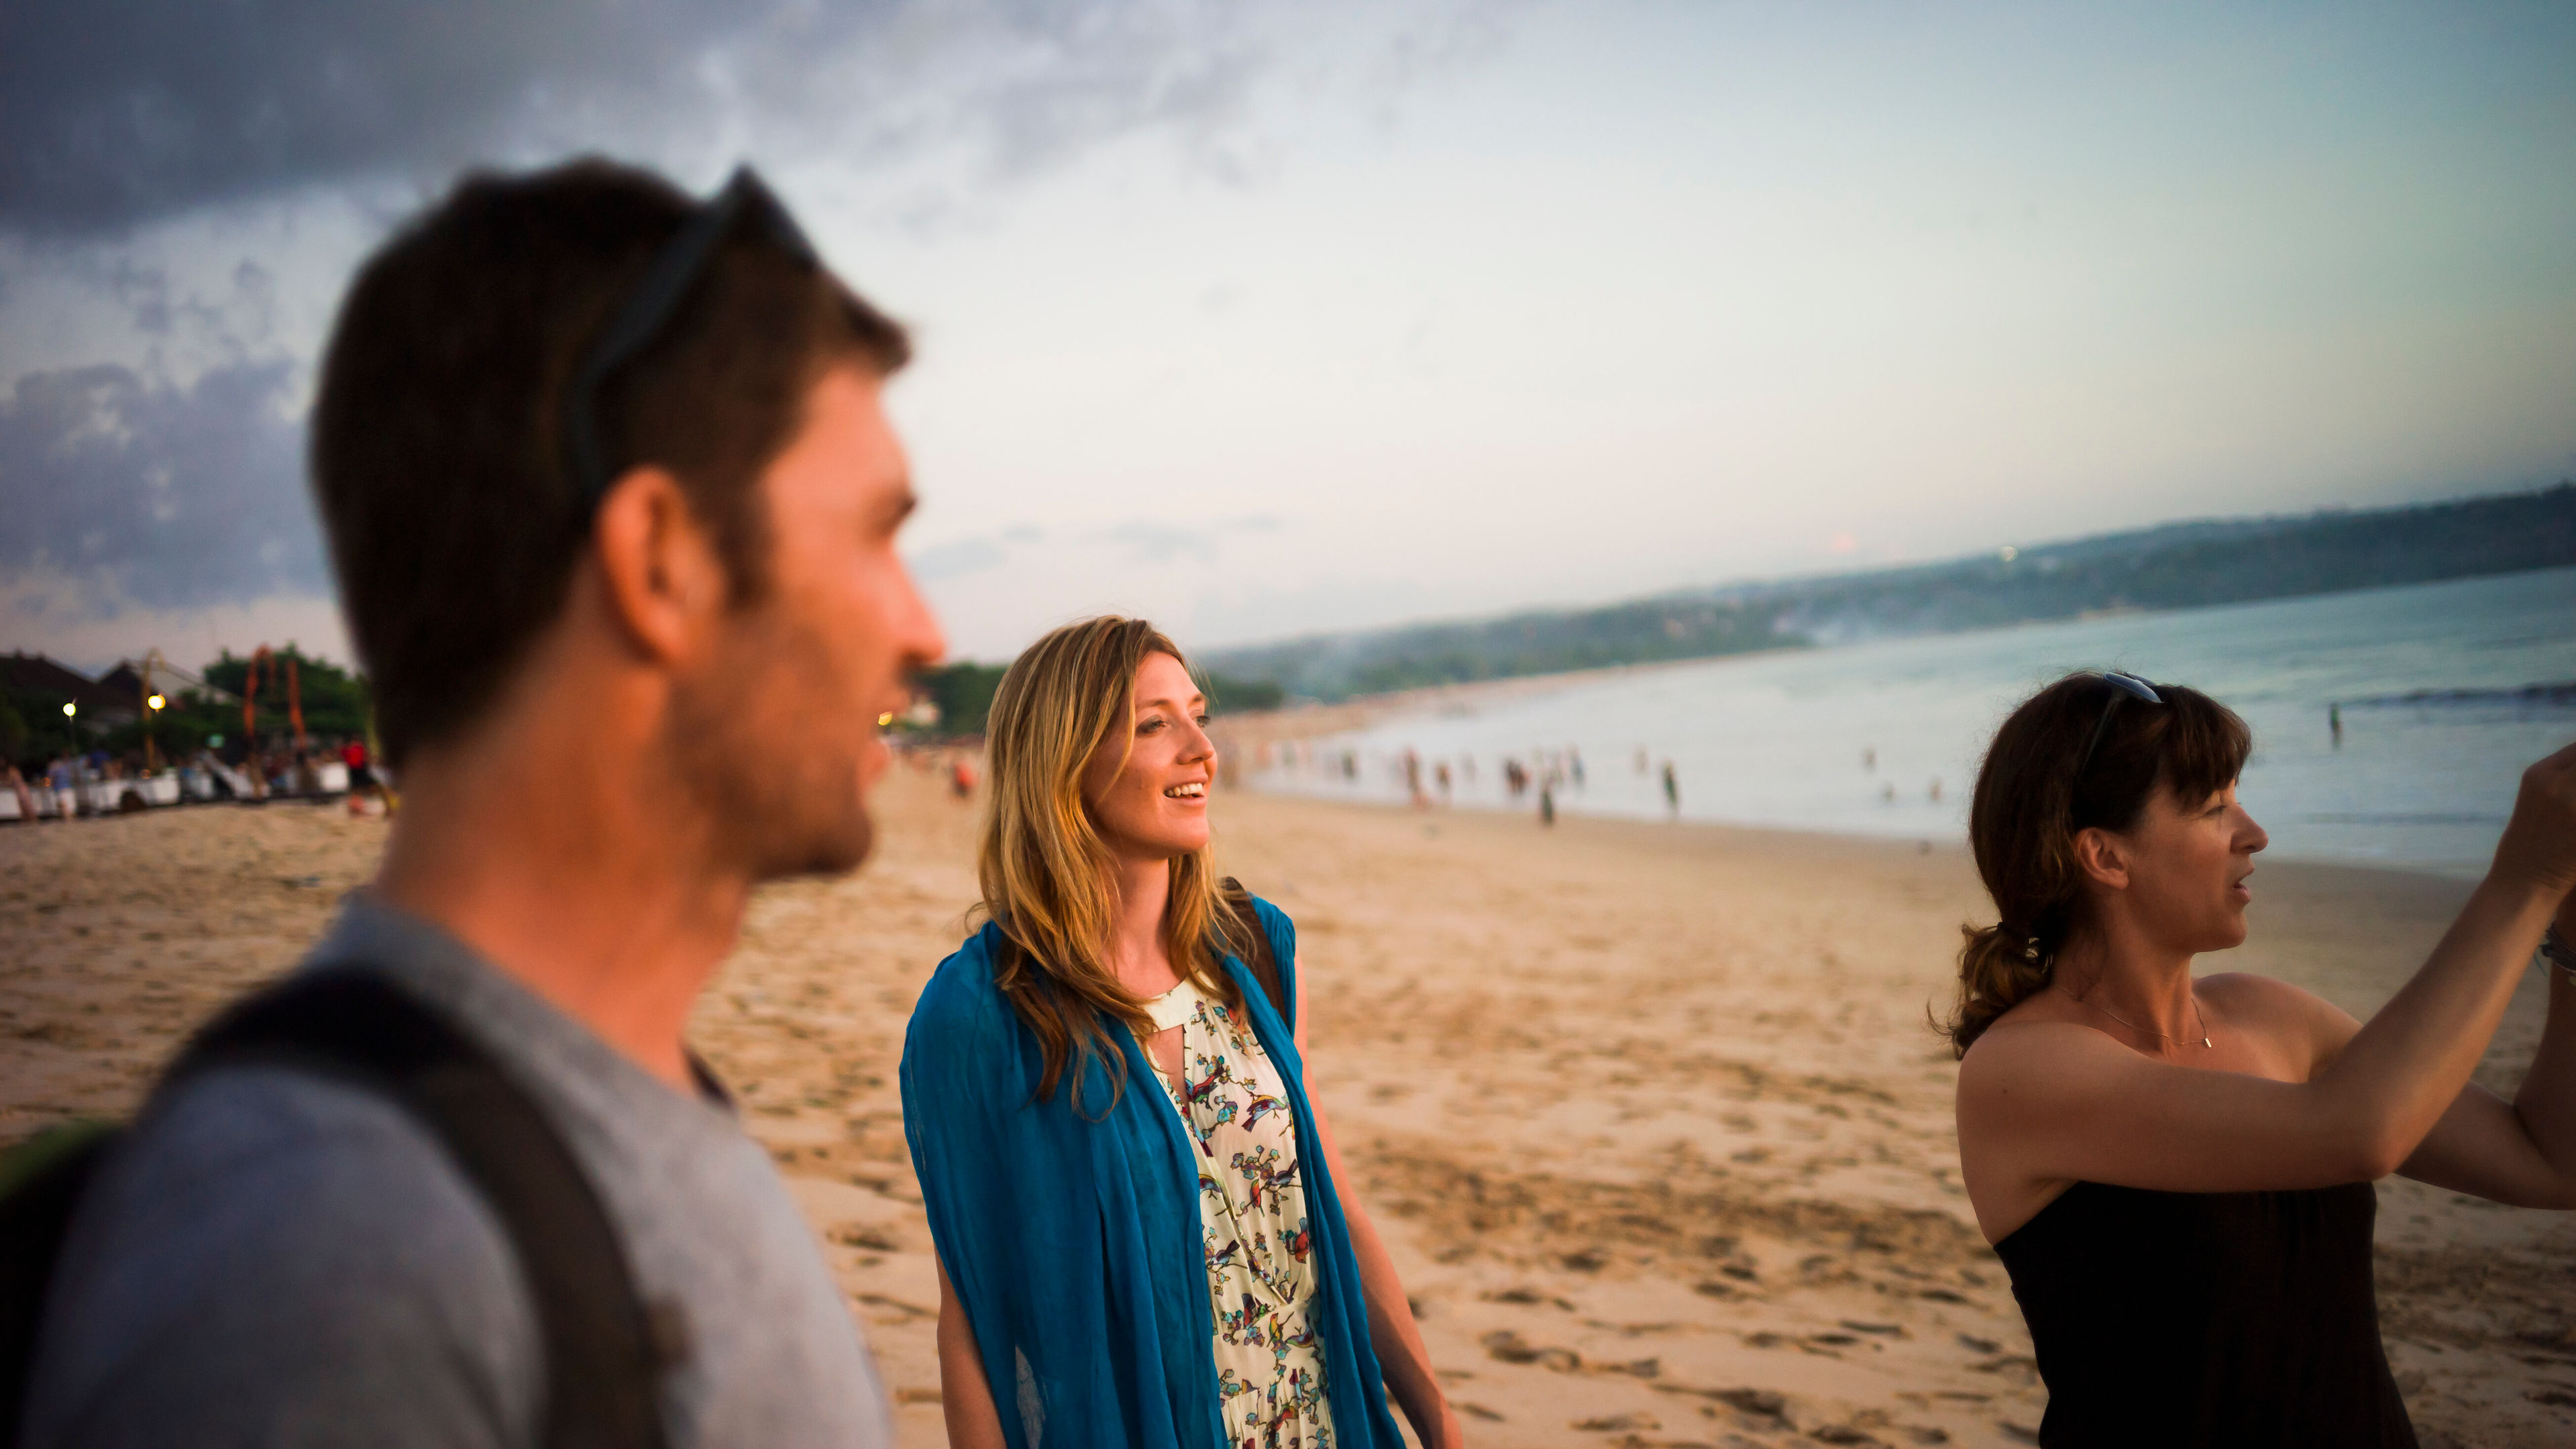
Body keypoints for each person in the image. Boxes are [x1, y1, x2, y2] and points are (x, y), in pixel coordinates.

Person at [24, 159, 941, 1447]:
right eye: (875, 534)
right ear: (659, 561)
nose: (927, 628)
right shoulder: (339, 1256)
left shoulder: (607, 1101)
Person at [1945, 671, 2576, 1448]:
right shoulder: (2021, 1073)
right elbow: (2361, 1131)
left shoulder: (2274, 1017)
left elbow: (2550, 1157)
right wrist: (2525, 879)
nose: (2254, 833)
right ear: (2105, 856)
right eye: (2214, 808)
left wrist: (2572, 933)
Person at [903, 617, 1457, 1449]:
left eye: (1199, 713)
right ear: (1064, 760)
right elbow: (972, 1315)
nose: (1202, 748)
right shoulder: (982, 1014)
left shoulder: (1250, 950)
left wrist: (1439, 1422)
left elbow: (1337, 1212)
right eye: (1154, 724)